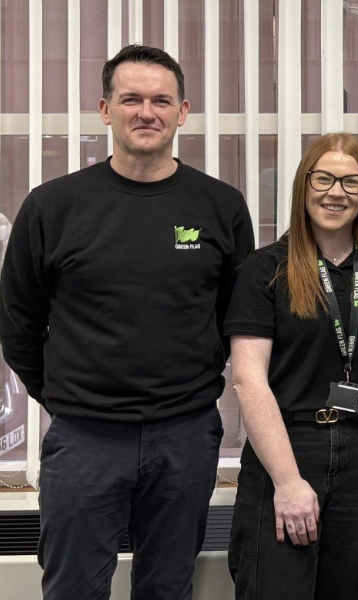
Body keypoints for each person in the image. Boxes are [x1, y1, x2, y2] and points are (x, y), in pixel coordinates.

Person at [0, 44, 254, 599]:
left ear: (182, 112)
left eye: (161, 101)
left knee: (168, 588)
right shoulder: (52, 207)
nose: (146, 112)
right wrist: (68, 397)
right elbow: (18, 325)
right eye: (131, 99)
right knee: (73, 589)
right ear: (105, 109)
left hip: (185, 436)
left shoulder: (221, 206)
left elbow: (236, 321)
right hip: (84, 438)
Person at [224, 133, 358, 599]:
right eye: (324, 179)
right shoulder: (265, 269)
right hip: (290, 444)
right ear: (304, 186)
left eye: (351, 182)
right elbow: (249, 379)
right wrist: (287, 481)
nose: (337, 192)